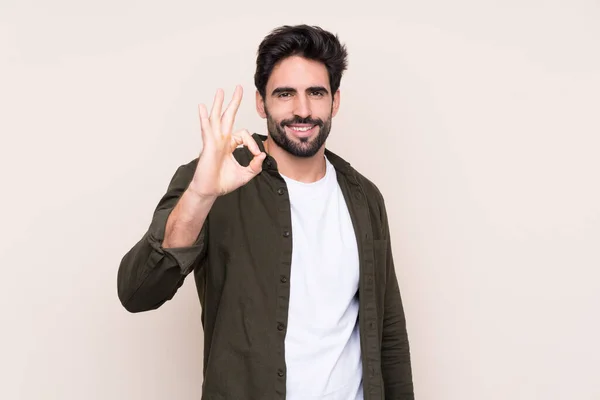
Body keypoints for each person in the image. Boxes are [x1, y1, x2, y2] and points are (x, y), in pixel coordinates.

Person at [117, 24, 414, 400]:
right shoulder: (212, 179)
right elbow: (137, 293)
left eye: (316, 93)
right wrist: (200, 195)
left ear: (335, 101)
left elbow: (388, 331)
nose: (302, 110)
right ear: (261, 102)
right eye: (285, 94)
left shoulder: (364, 197)